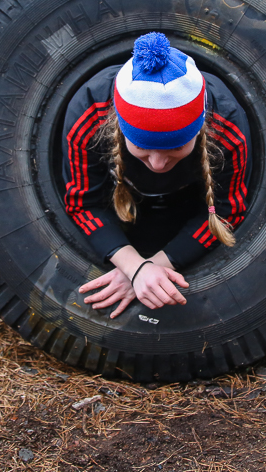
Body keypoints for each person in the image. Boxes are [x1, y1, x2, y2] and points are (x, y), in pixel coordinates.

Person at [61, 32, 250, 319]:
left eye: (175, 147)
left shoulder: (226, 127)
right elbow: (83, 203)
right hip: (124, 208)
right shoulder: (90, 111)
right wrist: (134, 267)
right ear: (121, 129)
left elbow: (221, 210)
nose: (159, 164)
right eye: (142, 148)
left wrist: (150, 269)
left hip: (190, 206)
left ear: (199, 130)